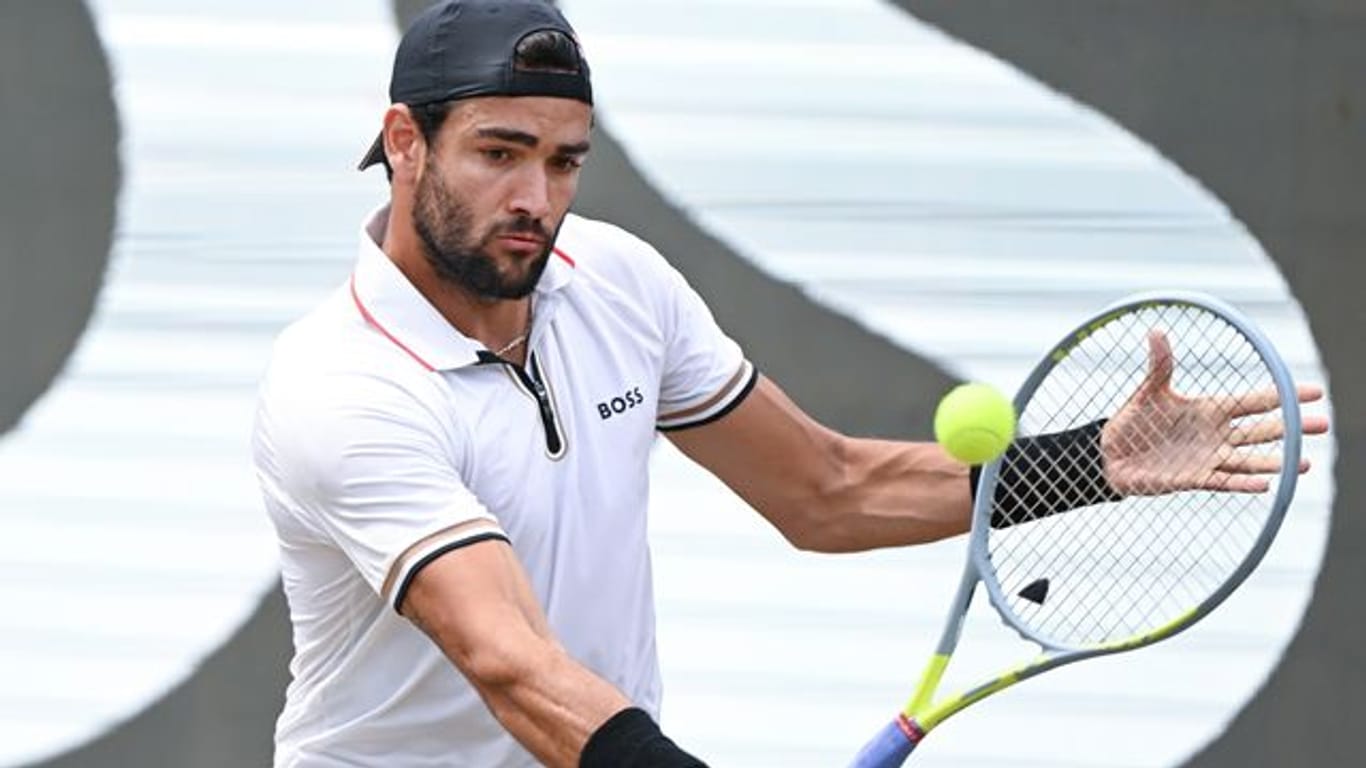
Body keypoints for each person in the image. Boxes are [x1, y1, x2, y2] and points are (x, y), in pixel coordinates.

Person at [250, 1, 1329, 766]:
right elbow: (510, 660)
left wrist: (1086, 463)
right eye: (500, 151)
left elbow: (826, 490)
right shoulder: (339, 386)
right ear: (405, 143)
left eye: (566, 160)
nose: (538, 195)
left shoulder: (618, 282)